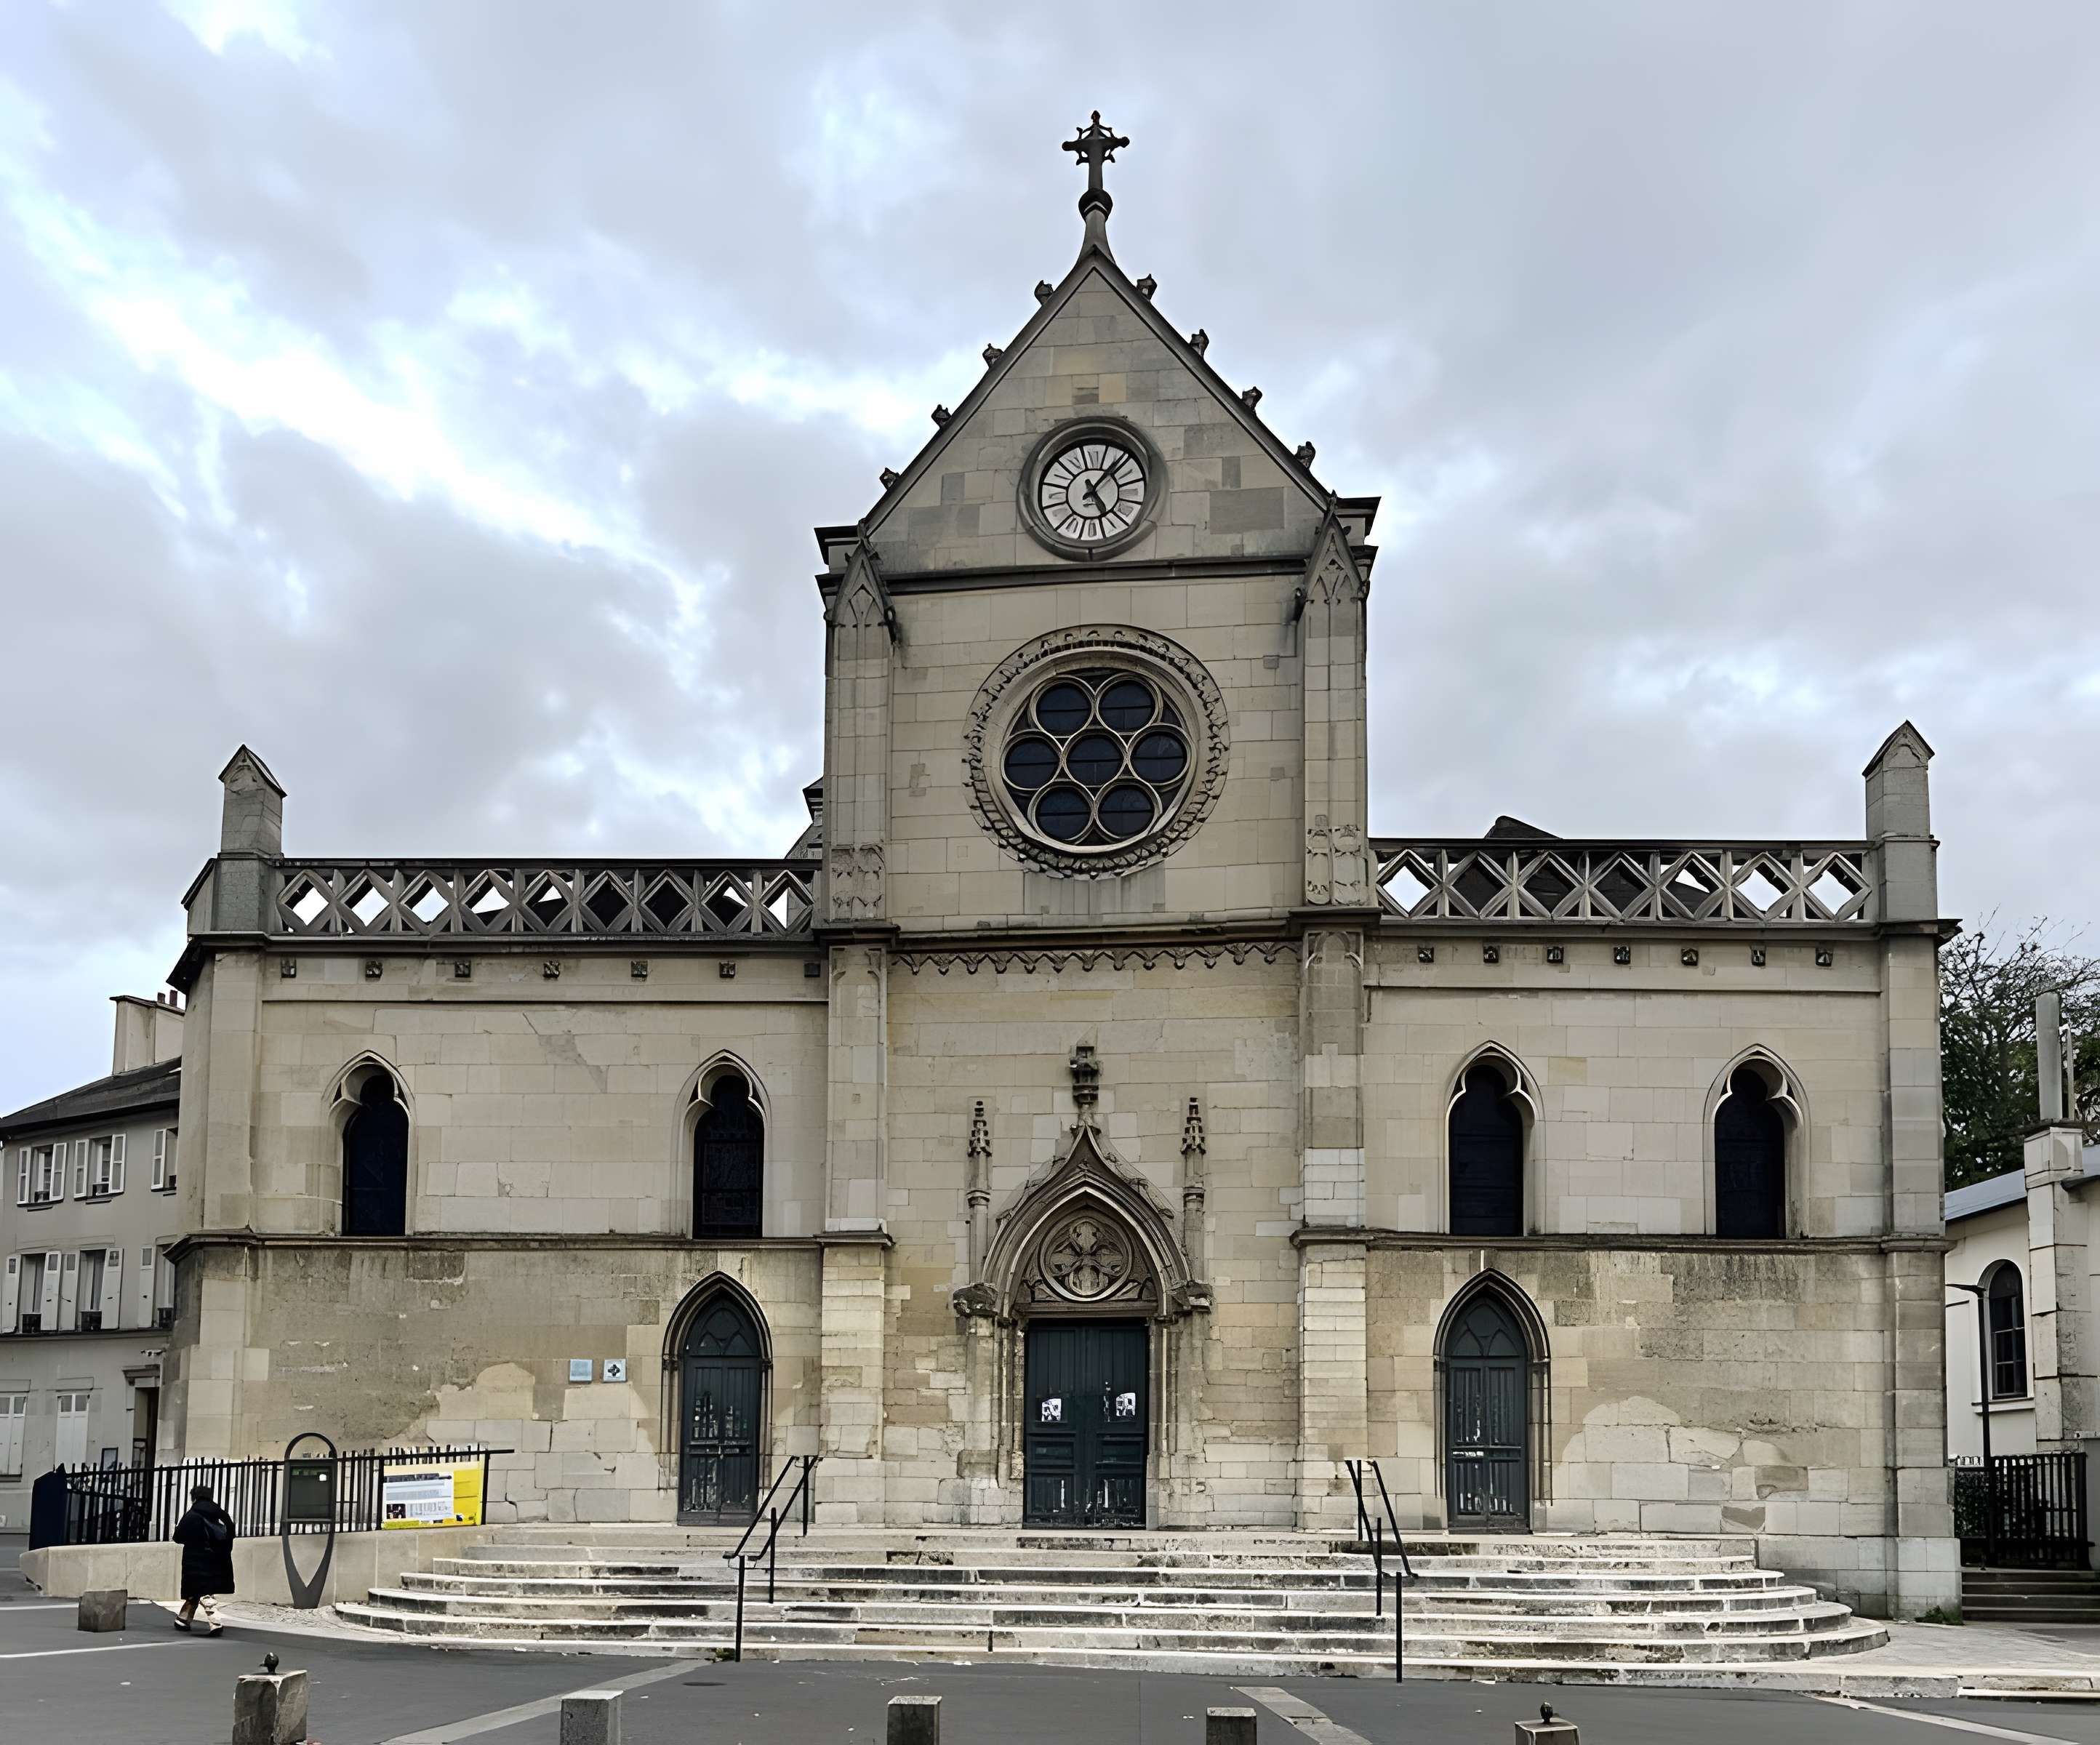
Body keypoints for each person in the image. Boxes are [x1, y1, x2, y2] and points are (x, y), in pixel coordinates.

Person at [172, 1483, 235, 1634]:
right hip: (218, 1561)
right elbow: (230, 1534)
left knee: (203, 1592)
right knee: (198, 1591)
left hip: (196, 1560)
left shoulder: (193, 1514)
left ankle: (215, 1623)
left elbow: (178, 1537)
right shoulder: (221, 1514)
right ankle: (183, 1619)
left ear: (194, 1497)